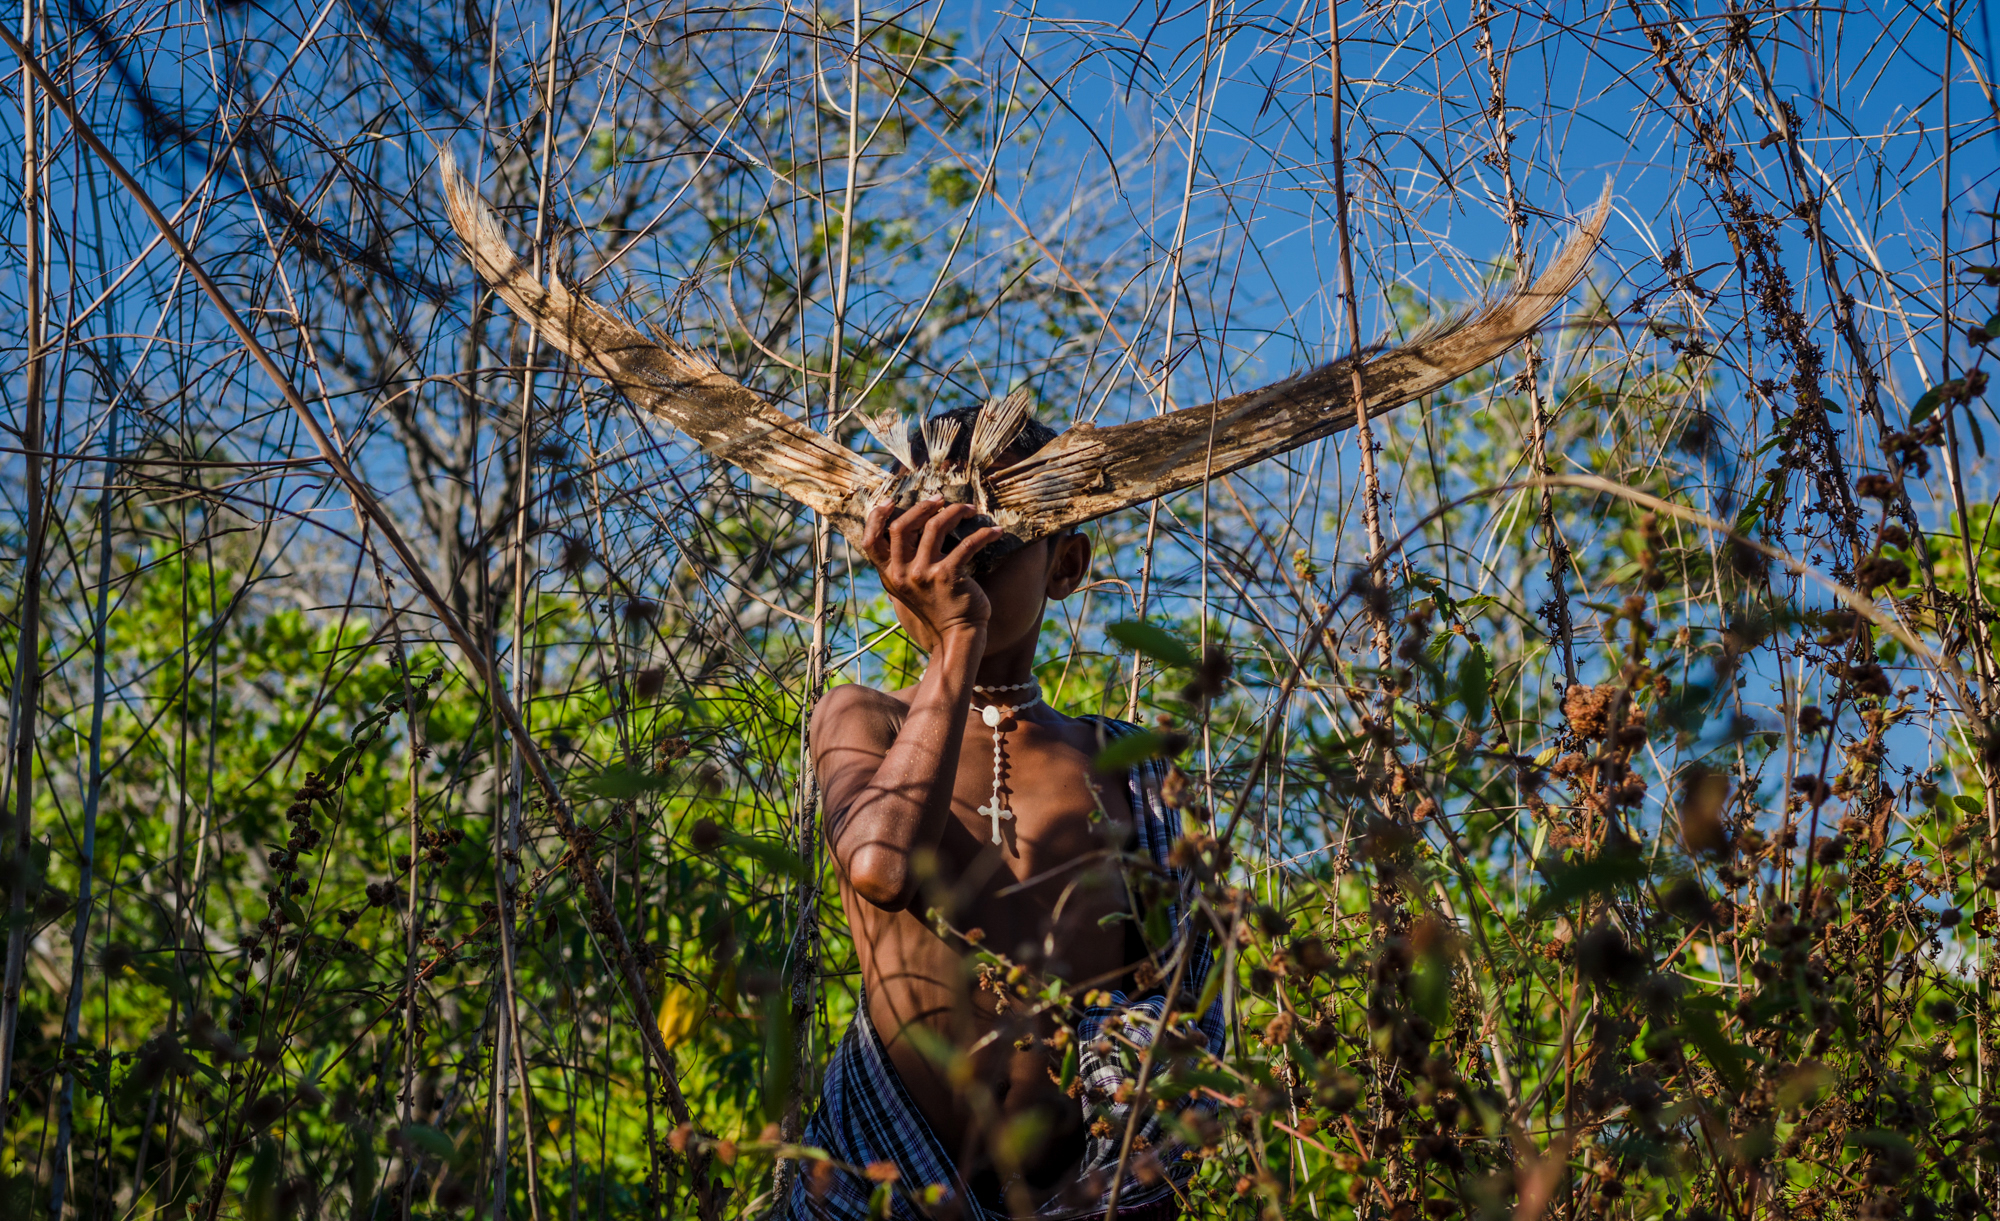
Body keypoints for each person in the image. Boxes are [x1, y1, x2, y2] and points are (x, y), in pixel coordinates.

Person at [792, 406, 1222, 1221]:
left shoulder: (1128, 765)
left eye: (982, 548)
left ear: (1066, 565)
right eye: (917, 543)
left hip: (1090, 1200)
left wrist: (1103, 1190)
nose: (947, 571)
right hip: (892, 1191)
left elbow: (1188, 1019)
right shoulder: (862, 720)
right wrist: (957, 639)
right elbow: (880, 865)